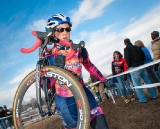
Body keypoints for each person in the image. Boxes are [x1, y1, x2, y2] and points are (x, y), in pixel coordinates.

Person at [45, 14, 109, 129]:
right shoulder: (49, 56)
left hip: (83, 93)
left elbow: (89, 66)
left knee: (102, 126)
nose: (65, 33)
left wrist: (103, 79)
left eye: (67, 29)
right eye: (60, 30)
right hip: (65, 101)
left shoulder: (79, 49)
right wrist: (56, 70)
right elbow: (46, 85)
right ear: (52, 33)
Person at [124, 38, 158, 103]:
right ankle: (154, 95)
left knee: (136, 83)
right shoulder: (137, 47)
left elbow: (127, 58)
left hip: (134, 67)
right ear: (130, 41)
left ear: (125, 43)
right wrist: (141, 61)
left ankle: (142, 99)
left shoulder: (126, 49)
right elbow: (143, 56)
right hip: (142, 65)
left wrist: (130, 65)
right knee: (147, 80)